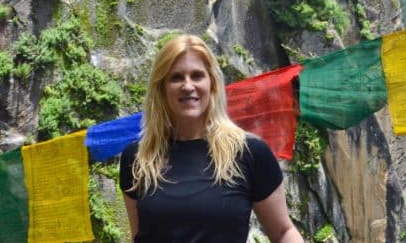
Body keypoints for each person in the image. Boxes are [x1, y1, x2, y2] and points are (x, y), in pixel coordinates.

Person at [119, 35, 304, 242]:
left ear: (213, 84)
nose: (188, 86)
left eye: (197, 76)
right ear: (161, 88)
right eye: (176, 77)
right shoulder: (138, 159)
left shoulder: (248, 153)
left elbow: (283, 232)